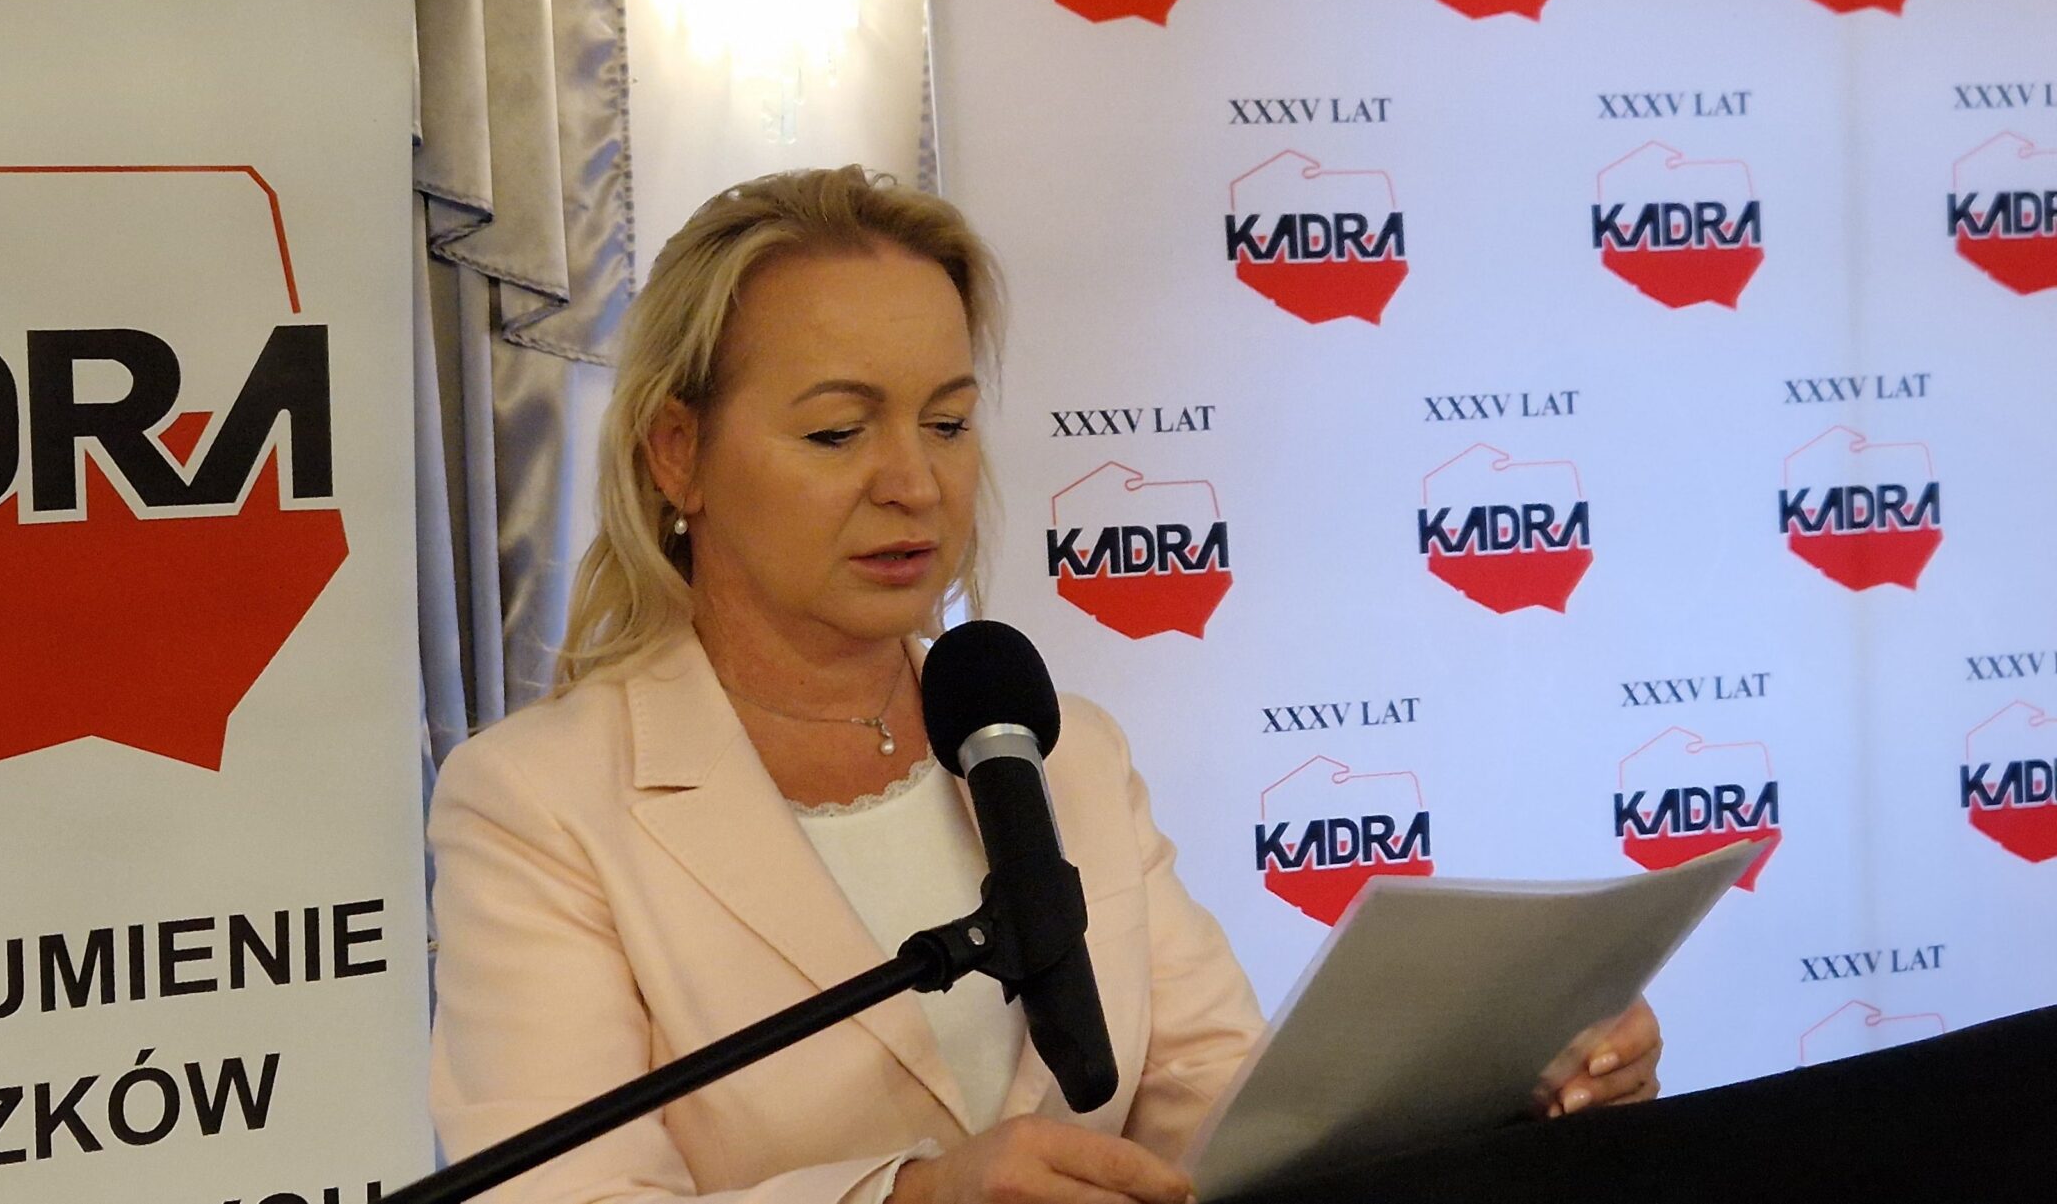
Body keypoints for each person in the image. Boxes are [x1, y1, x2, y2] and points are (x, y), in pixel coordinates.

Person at [426, 166, 1662, 1204]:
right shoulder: (537, 803)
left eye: (947, 423)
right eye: (838, 431)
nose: (914, 483)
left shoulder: (1061, 749)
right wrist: (908, 1199)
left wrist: (1496, 1088)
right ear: (677, 453)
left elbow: (1221, 1121)